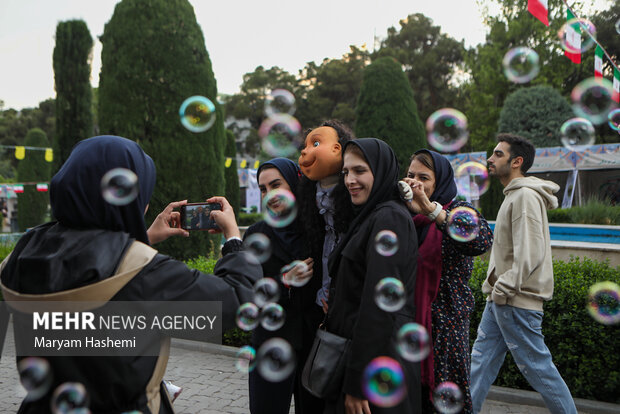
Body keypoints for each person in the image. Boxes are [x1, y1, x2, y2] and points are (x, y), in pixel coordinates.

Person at [0, 135, 262, 413]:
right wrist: (233, 238)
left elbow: (88, 269)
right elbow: (239, 299)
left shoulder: (25, 251)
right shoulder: (146, 272)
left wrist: (144, 237)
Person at [469, 134, 577, 414]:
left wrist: (504, 287)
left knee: (540, 370)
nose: (490, 159)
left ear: (517, 162)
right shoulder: (515, 195)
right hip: (501, 300)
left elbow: (531, 251)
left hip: (515, 300)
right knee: (480, 364)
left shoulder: (526, 196)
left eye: (498, 154)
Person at [325, 138, 420, 414]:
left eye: (360, 170)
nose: (350, 180)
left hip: (376, 372)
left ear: (381, 171)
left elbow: (378, 307)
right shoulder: (370, 216)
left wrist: (357, 383)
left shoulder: (389, 218)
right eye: (345, 172)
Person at [401, 150, 493, 413]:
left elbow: (482, 241)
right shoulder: (402, 215)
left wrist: (431, 211)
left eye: (423, 177)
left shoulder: (456, 211)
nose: (414, 182)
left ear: (439, 181)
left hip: (445, 329)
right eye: (410, 175)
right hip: (408, 324)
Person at [246, 158, 324, 414]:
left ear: (295, 184)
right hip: (271, 343)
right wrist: (284, 281)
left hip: (314, 345)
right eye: (263, 189)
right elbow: (248, 292)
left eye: (276, 185)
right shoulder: (256, 234)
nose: (270, 194)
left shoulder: (319, 229)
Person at [297, 119, 355, 314]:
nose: (305, 151)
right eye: (304, 147)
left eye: (315, 144)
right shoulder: (306, 199)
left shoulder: (357, 193)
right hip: (318, 300)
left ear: (339, 148)